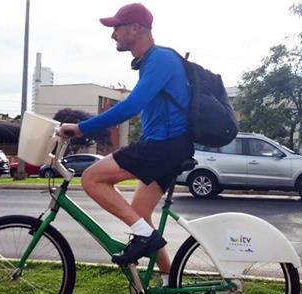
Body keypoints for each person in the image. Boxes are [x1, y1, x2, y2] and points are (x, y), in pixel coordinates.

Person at [59, 3, 194, 273]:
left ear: (135, 28)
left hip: (163, 147)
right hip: (168, 147)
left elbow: (131, 106)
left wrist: (82, 127)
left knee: (91, 178)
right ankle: (170, 280)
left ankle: (145, 237)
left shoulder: (161, 59)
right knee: (140, 216)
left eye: (116, 28)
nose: (113, 35)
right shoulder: (151, 62)